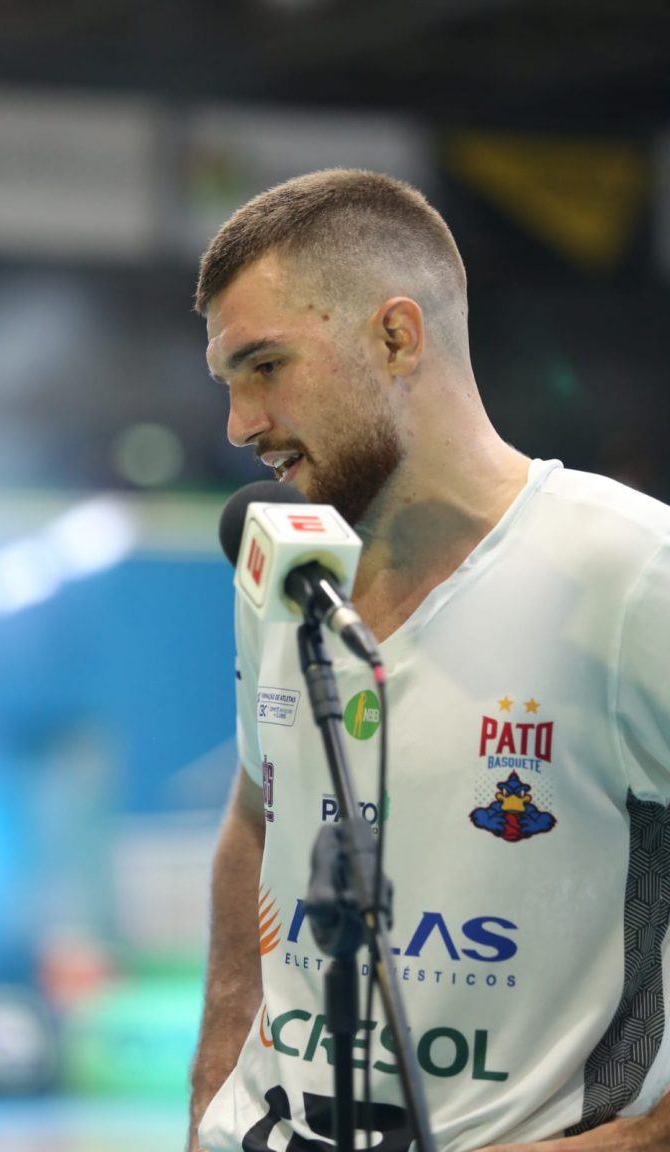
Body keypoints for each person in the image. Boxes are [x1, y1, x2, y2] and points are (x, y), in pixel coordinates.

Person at [187, 168, 670, 1152]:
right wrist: (211, 1095)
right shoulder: (284, 564)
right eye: (227, 382)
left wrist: (643, 1138)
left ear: (397, 338)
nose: (238, 425)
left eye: (265, 365)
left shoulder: (632, 573)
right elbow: (254, 813)